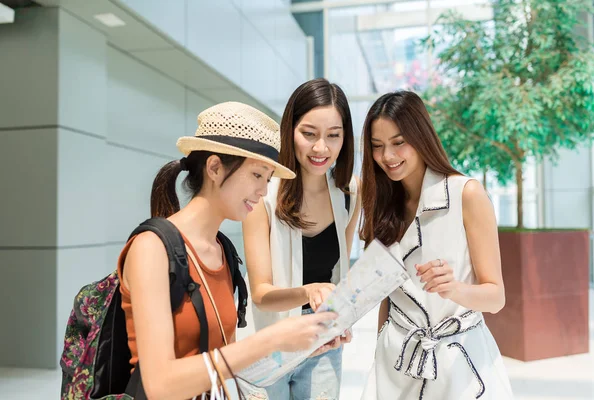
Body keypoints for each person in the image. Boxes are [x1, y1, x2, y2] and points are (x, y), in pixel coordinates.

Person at [117, 101, 338, 400]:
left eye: (267, 179)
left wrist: (298, 342)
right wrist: (270, 339)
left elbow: (219, 358)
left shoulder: (223, 251)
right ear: (214, 167)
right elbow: (159, 385)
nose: (263, 191)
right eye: (257, 175)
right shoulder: (151, 249)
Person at [359, 91, 514, 399]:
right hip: (396, 360)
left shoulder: (466, 194)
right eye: (377, 146)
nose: (387, 156)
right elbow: (387, 296)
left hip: (460, 364)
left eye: (398, 142)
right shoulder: (381, 201)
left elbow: (496, 297)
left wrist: (453, 288)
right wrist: (380, 344)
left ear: (421, 135)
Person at [241, 79, 361, 400]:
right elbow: (261, 293)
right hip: (271, 342)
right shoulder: (262, 193)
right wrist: (308, 292)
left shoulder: (350, 191)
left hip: (323, 338)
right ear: (290, 130)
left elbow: (341, 276)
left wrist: (342, 316)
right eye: (309, 134)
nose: (321, 148)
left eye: (333, 136)